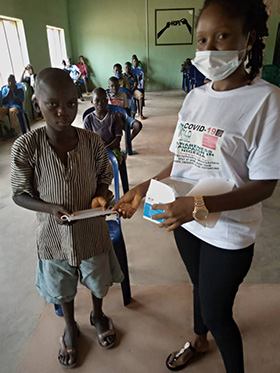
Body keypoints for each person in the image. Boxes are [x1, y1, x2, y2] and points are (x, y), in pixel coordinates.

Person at [113, 1, 280, 372]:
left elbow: (265, 184)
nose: (209, 50)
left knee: (218, 311)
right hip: (188, 221)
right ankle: (199, 339)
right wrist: (142, 186)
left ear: (247, 39)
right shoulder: (195, 98)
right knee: (199, 288)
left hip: (229, 231)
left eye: (222, 37)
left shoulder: (266, 101)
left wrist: (198, 206)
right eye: (202, 39)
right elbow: (182, 160)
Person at [11, 68, 124, 368]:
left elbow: (104, 176)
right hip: (53, 236)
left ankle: (98, 314)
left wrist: (102, 194)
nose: (64, 111)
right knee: (62, 287)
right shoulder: (26, 147)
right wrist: (50, 208)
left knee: (99, 281)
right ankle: (71, 326)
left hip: (91, 231)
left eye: (71, 104)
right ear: (37, 104)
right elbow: (19, 193)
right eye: (53, 104)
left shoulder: (91, 141)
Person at [84, 87, 123, 163]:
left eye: (103, 100)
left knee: (112, 163)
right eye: (97, 100)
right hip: (95, 150)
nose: (100, 103)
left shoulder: (114, 117)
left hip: (112, 149)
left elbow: (118, 138)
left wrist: (106, 148)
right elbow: (86, 140)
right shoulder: (88, 119)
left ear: (107, 101)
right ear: (92, 101)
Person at [107, 77, 142, 143]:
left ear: (119, 86)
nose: (114, 88)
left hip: (123, 117)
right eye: (112, 86)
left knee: (138, 125)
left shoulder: (123, 95)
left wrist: (124, 115)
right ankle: (117, 145)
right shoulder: (106, 96)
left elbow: (126, 109)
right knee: (117, 123)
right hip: (111, 120)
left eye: (117, 85)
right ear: (109, 86)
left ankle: (128, 140)